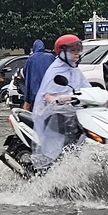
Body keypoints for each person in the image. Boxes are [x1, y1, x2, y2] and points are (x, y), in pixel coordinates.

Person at [31, 35, 87, 168]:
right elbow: (47, 95)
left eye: (78, 50)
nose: (77, 54)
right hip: (53, 114)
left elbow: (87, 88)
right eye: (73, 50)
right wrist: (57, 99)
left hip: (73, 112)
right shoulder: (54, 71)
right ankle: (55, 165)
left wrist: (105, 93)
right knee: (69, 137)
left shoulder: (75, 70)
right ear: (62, 52)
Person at [19, 39, 52, 111]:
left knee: (27, 103)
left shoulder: (31, 58)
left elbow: (25, 71)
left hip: (34, 87)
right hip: (48, 87)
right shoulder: (50, 56)